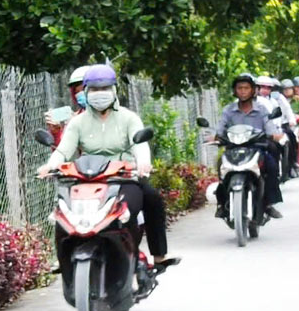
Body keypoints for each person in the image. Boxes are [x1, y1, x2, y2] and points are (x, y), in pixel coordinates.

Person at [38, 65, 178, 267]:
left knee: (151, 198)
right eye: (94, 89)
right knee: (63, 210)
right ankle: (63, 260)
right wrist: (49, 166)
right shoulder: (77, 123)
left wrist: (143, 162)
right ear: (86, 91)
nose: (99, 94)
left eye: (104, 89)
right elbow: (63, 151)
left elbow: (140, 145)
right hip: (87, 179)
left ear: (113, 90)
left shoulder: (128, 117)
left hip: (123, 177)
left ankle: (156, 254)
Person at [208, 73, 285, 220]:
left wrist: (274, 135)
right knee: (221, 167)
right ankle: (222, 203)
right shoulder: (228, 110)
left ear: (253, 90)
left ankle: (268, 204)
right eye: (240, 88)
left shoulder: (261, 109)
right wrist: (216, 136)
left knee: (272, 165)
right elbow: (220, 128)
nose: (243, 91)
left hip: (257, 148)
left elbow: (269, 127)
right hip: (233, 149)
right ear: (235, 91)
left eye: (246, 88)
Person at [257, 75, 299, 180]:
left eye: (268, 88)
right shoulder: (251, 100)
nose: (265, 90)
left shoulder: (276, 100)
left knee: (288, 140)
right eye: (262, 87)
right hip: (253, 132)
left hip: (275, 129)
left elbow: (283, 112)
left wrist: (291, 121)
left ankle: (289, 166)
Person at [44, 65, 92, 146]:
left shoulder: (113, 117)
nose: (81, 95)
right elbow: (64, 153)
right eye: (77, 92)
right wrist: (56, 133)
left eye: (85, 90)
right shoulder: (73, 121)